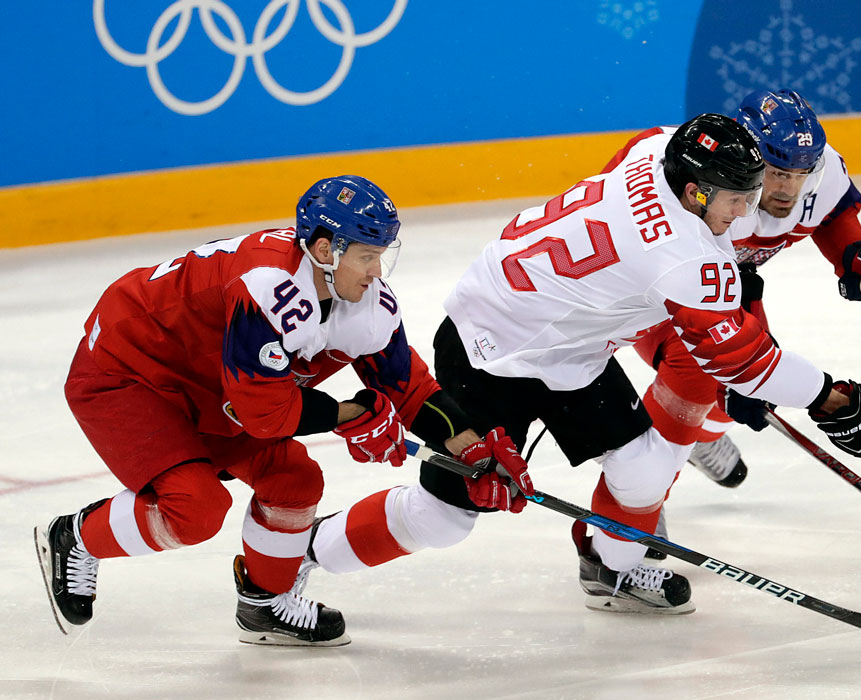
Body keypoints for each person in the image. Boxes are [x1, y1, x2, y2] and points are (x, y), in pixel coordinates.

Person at [309, 113, 861, 615]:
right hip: (490, 348)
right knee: (445, 519)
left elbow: (728, 335)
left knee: (645, 472)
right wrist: (836, 400)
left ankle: (607, 565)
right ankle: (302, 553)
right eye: (737, 199)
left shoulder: (655, 149)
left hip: (572, 349)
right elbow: (746, 361)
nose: (747, 212)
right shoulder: (682, 258)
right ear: (697, 192)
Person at [35, 175, 531, 647]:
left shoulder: (361, 299)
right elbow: (263, 413)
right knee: (196, 508)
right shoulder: (266, 286)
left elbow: (407, 387)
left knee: (294, 482)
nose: (376, 271)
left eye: (380, 255)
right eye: (365, 256)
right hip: (131, 371)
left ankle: (264, 603)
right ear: (324, 250)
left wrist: (471, 447)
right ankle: (74, 537)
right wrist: (352, 414)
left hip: (215, 385)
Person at [614, 90, 861, 493]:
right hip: (648, 289)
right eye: (778, 174)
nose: (790, 189)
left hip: (721, 283)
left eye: (802, 175)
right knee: (705, 374)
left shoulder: (818, 174)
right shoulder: (697, 190)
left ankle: (703, 436)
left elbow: (832, 214)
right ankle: (641, 495)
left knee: (745, 383)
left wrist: (855, 257)